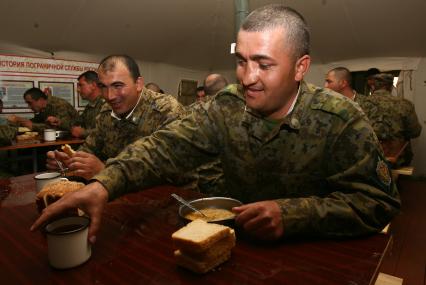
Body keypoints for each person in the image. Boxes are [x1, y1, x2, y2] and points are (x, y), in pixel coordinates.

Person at [33, 5, 400, 243]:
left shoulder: (341, 120)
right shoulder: (225, 107)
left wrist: (292, 214)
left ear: (301, 67)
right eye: (241, 61)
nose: (248, 77)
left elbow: (378, 203)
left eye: (264, 64)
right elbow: (164, 148)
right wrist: (103, 185)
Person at [45, 55, 189, 183]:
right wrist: (70, 161)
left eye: (118, 86)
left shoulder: (167, 110)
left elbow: (173, 171)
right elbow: (90, 148)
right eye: (103, 87)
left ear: (138, 84)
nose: (109, 96)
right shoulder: (107, 111)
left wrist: (106, 170)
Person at [362, 73, 422, 166]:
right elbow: (415, 132)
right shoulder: (405, 104)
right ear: (390, 87)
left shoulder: (361, 104)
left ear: (373, 87)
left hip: (368, 156)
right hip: (398, 158)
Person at [7, 87, 78, 132]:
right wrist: (20, 121)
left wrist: (32, 125)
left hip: (74, 141)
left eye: (30, 103)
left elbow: (59, 127)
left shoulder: (59, 105)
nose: (29, 106)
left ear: (40, 100)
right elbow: (37, 121)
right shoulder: (43, 108)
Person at [71, 71, 104, 138]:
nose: (78, 90)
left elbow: (108, 131)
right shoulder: (90, 106)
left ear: (93, 85)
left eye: (81, 85)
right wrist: (60, 122)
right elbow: (78, 122)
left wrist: (83, 133)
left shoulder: (107, 104)